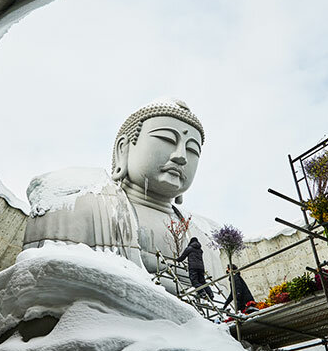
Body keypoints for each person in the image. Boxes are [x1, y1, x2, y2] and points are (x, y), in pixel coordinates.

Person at [21, 98, 226, 289]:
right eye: (166, 139)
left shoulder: (205, 239)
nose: (181, 157)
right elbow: (44, 284)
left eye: (192, 150)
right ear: (123, 149)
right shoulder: (75, 203)